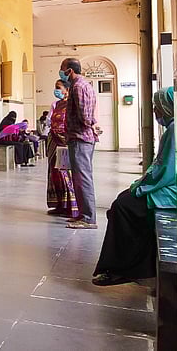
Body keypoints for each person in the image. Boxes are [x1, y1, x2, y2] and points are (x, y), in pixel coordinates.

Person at [92, 87, 177, 286]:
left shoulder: (174, 130)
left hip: (172, 191)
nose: (155, 112)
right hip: (168, 186)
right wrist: (140, 184)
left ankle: (122, 268)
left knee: (123, 207)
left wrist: (142, 187)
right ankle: (129, 264)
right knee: (124, 201)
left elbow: (165, 170)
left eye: (157, 107)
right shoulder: (173, 128)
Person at [61, 57, 99, 229]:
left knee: (83, 178)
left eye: (62, 70)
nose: (61, 74)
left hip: (80, 138)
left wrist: (90, 124)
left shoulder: (78, 86)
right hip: (80, 138)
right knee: (79, 177)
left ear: (70, 71)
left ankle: (88, 218)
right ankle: (83, 214)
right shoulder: (84, 85)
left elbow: (85, 116)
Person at [46, 79, 79, 219]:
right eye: (55, 87)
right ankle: (59, 205)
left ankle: (71, 206)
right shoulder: (55, 104)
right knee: (54, 173)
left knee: (66, 173)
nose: (56, 90)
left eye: (58, 87)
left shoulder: (72, 103)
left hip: (65, 142)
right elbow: (49, 120)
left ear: (66, 89)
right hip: (54, 141)